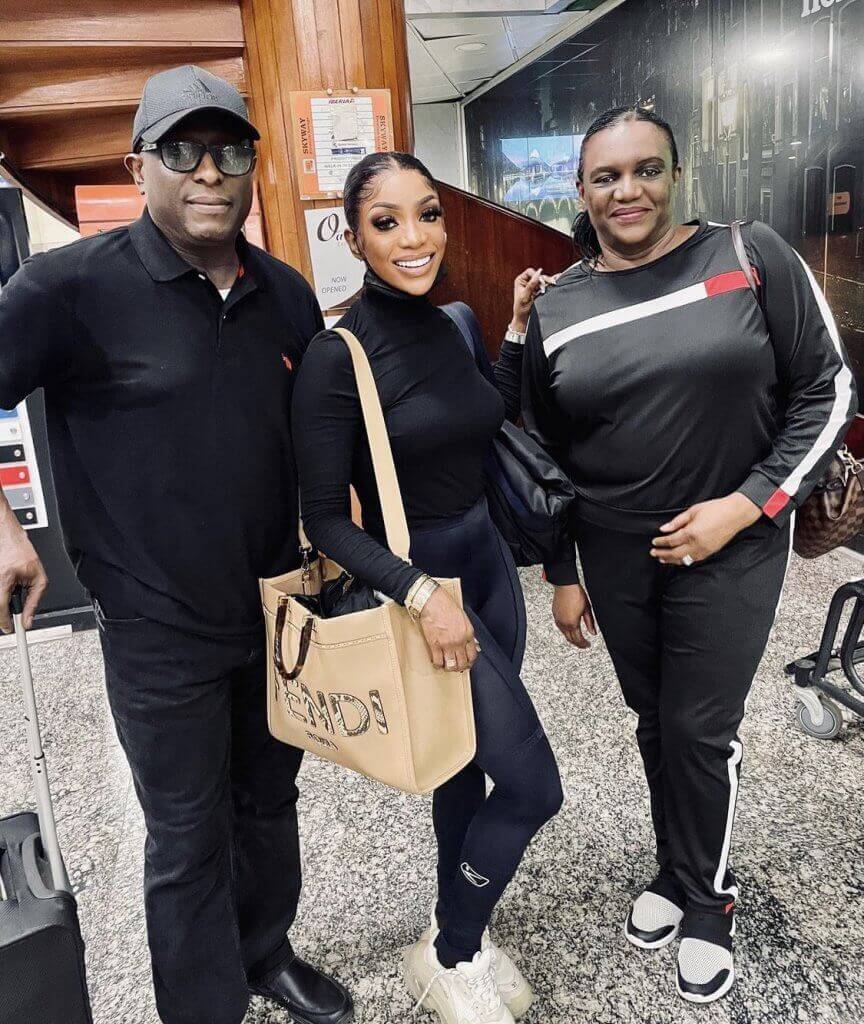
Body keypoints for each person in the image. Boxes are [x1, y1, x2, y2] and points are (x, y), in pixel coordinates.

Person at [0, 65, 353, 1024]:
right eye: (181, 151)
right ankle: (204, 1010)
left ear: (252, 164)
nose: (209, 172)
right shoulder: (67, 288)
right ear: (138, 164)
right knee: (188, 835)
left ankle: (265, 953)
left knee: (269, 805)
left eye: (229, 149)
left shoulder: (284, 294)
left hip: (279, 614)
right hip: (158, 631)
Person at [522, 105, 856, 1004]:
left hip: (732, 546)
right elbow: (541, 453)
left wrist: (747, 507)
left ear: (676, 173)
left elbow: (829, 388)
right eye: (605, 176)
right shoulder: (560, 305)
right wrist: (562, 571)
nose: (626, 190)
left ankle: (708, 899)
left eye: (646, 169)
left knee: (699, 729)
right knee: (653, 720)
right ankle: (675, 869)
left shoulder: (749, 256)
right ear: (581, 191)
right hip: (617, 551)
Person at [291, 151, 562, 1024]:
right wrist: (419, 596)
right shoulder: (339, 355)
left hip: (486, 569)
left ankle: (459, 936)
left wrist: (513, 327)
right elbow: (327, 522)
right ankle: (453, 947)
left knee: (466, 773)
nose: (415, 238)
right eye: (387, 222)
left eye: (429, 214)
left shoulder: (452, 320)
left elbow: (485, 413)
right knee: (531, 787)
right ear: (353, 236)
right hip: (425, 591)